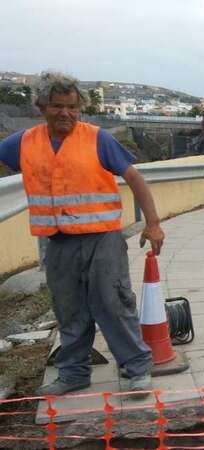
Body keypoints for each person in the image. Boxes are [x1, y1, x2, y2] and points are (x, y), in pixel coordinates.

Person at [0, 72, 164, 396]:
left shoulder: (97, 138)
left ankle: (136, 369)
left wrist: (153, 223)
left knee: (113, 302)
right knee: (69, 309)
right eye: (57, 106)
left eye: (72, 107)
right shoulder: (24, 142)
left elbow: (135, 178)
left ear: (80, 108)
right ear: (42, 107)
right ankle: (73, 373)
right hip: (58, 241)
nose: (65, 113)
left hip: (101, 238)